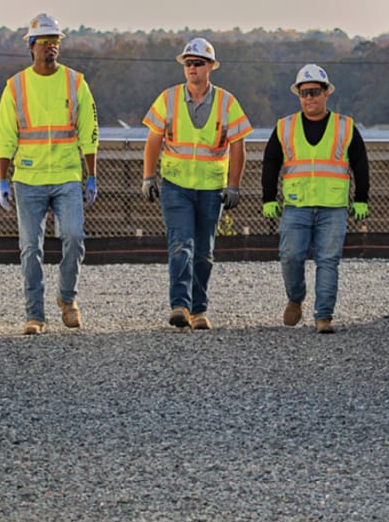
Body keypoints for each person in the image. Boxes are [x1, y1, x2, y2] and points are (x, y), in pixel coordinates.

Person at [0, 13, 99, 335]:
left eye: (55, 42)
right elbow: (5, 136)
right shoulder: (15, 87)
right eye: (44, 42)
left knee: (74, 237)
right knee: (30, 247)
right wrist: (2, 179)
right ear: (31, 46)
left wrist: (91, 174)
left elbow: (89, 130)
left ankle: (67, 300)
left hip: (67, 174)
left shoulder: (76, 82)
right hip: (29, 179)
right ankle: (35, 315)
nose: (51, 47)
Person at [140, 37, 252, 330]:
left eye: (198, 63)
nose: (192, 68)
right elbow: (154, 139)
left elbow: (238, 145)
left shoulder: (227, 102)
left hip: (211, 188)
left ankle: (199, 309)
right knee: (181, 245)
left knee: (204, 250)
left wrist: (234, 185)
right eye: (188, 63)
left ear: (211, 67)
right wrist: (148, 176)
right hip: (176, 185)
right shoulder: (169, 98)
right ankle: (180, 305)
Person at [261, 64, 369, 333]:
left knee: (328, 261)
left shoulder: (346, 127)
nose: (310, 98)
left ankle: (324, 316)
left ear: (326, 93)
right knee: (290, 257)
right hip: (296, 206)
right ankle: (295, 299)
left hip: (333, 207)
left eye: (315, 92)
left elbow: (360, 163)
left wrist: (361, 198)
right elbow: (271, 163)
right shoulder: (284, 127)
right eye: (304, 93)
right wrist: (268, 198)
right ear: (299, 95)